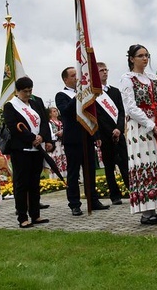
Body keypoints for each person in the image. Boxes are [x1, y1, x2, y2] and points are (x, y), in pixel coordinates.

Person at [120, 44, 157, 224]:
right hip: (140, 128)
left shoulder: (153, 78)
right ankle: (146, 212)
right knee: (144, 162)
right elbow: (130, 107)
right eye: (140, 56)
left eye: (146, 55)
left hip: (156, 125)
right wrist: (151, 125)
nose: (144, 59)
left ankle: (154, 207)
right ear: (131, 59)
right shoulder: (127, 79)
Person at [56, 66, 109, 216]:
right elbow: (66, 111)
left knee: (90, 171)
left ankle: (93, 199)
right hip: (73, 139)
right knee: (74, 173)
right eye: (73, 76)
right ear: (65, 79)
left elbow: (92, 114)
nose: (76, 78)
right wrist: (78, 96)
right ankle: (74, 204)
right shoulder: (61, 95)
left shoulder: (86, 93)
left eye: (77, 75)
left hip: (87, 136)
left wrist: (96, 135)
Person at [4, 76, 53, 228]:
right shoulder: (10, 106)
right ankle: (22, 217)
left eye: (30, 90)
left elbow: (44, 122)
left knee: (34, 183)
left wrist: (43, 137)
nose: (28, 94)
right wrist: (31, 138)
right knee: (21, 184)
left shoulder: (36, 102)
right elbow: (13, 126)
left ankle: (35, 214)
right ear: (17, 91)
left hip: (37, 149)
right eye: (25, 91)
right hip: (21, 150)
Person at [95, 62, 130, 205]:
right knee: (109, 167)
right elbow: (98, 117)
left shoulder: (115, 91)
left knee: (125, 164)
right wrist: (110, 131)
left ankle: (132, 190)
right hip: (105, 135)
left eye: (106, 69)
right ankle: (115, 195)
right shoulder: (94, 94)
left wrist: (119, 129)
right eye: (101, 70)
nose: (105, 72)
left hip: (118, 133)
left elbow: (121, 112)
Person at [46, 106, 67, 180]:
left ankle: (65, 174)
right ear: (50, 114)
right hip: (55, 143)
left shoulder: (61, 121)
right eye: (54, 111)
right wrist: (56, 134)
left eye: (56, 111)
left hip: (62, 142)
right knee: (56, 158)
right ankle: (56, 176)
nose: (56, 112)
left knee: (64, 157)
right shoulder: (49, 123)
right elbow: (49, 133)